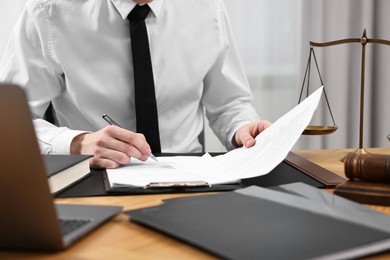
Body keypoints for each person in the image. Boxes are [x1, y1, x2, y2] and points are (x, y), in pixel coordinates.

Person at [0, 0, 271, 169]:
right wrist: (77, 143)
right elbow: (9, 124)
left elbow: (229, 103)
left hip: (192, 179)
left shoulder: (207, 8)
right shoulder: (47, 12)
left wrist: (241, 128)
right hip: (94, 177)